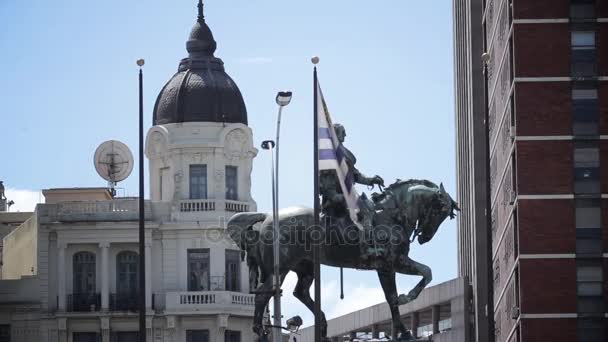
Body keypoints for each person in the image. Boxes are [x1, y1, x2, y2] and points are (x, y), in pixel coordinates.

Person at [319, 123, 384, 260]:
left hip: (347, 195)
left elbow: (355, 175)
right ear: (336, 134)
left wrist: (371, 180)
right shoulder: (328, 156)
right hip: (335, 199)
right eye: (343, 132)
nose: (345, 135)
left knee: (370, 206)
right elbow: (326, 180)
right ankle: (366, 249)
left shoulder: (344, 154)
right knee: (365, 210)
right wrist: (334, 196)